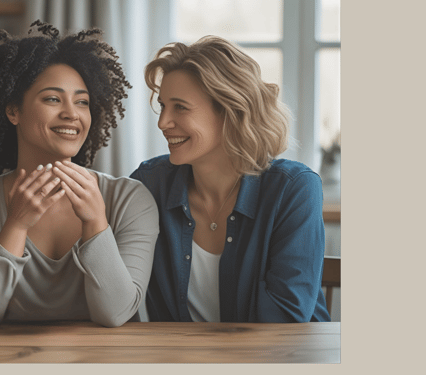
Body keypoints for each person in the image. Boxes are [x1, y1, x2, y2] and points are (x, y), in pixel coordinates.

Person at [0, 21, 159, 328]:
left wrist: (96, 223)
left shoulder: (130, 200)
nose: (71, 113)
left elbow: (115, 314)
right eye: (53, 99)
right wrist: (16, 224)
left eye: (82, 102)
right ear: (13, 111)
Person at [130, 36, 330, 322]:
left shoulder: (293, 189)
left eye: (180, 107)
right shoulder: (151, 184)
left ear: (230, 111)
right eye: (162, 106)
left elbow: (285, 322)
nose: (163, 122)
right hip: (182, 352)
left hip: (283, 352)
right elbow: (117, 291)